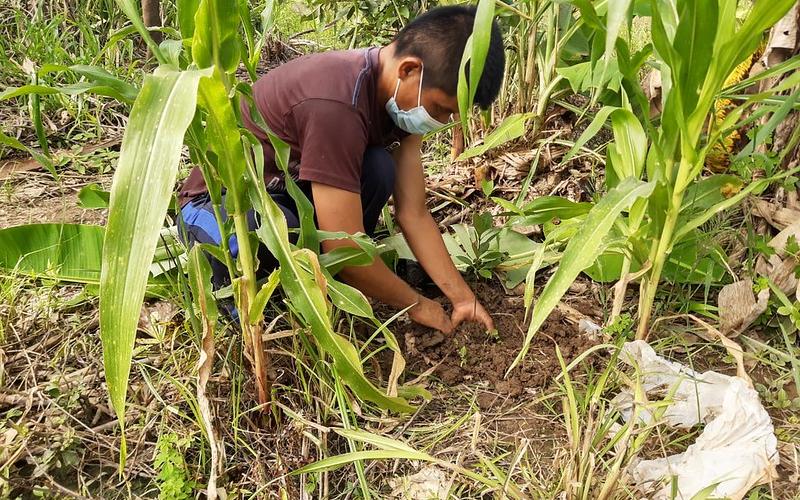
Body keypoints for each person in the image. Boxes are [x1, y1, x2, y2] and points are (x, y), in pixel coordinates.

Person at [178, 5, 504, 334]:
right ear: (408, 69)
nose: (441, 121)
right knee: (280, 230)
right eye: (440, 108)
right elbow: (345, 249)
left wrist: (462, 298)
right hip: (218, 210)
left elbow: (414, 213)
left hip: (286, 192)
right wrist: (416, 303)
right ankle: (238, 305)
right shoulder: (337, 104)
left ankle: (321, 279)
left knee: (377, 168)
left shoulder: (399, 97)